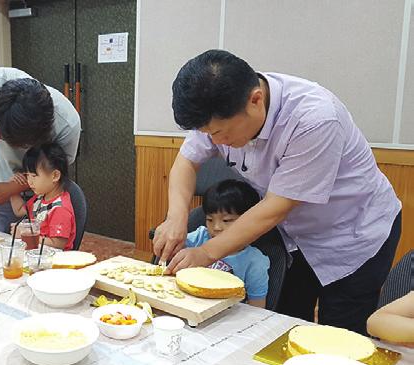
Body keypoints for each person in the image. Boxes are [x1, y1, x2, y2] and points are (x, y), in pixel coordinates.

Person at [153, 49, 401, 335]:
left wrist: (206, 252)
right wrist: (176, 218)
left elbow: (276, 207)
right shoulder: (219, 108)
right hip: (295, 237)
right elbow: (186, 161)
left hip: (353, 234)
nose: (215, 142)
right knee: (286, 325)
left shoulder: (315, 119)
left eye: (220, 133)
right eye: (208, 134)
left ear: (255, 100)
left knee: (338, 334)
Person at [0, 67, 80, 233]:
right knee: (2, 247)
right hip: (3, 191)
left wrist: (10, 188)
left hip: (44, 194)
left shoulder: (67, 126)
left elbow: (53, 175)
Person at [186, 179, 269, 308]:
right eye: (210, 219)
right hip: (190, 305)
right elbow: (176, 247)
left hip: (227, 317)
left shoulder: (255, 262)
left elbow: (258, 307)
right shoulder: (200, 237)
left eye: (227, 220)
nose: (216, 227)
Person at [10, 143, 76, 251]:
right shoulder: (40, 198)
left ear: (55, 176)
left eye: (34, 176)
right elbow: (19, 210)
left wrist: (25, 235)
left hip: (55, 261)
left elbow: (57, 244)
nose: (29, 181)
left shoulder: (60, 209)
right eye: (27, 176)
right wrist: (13, 191)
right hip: (37, 254)